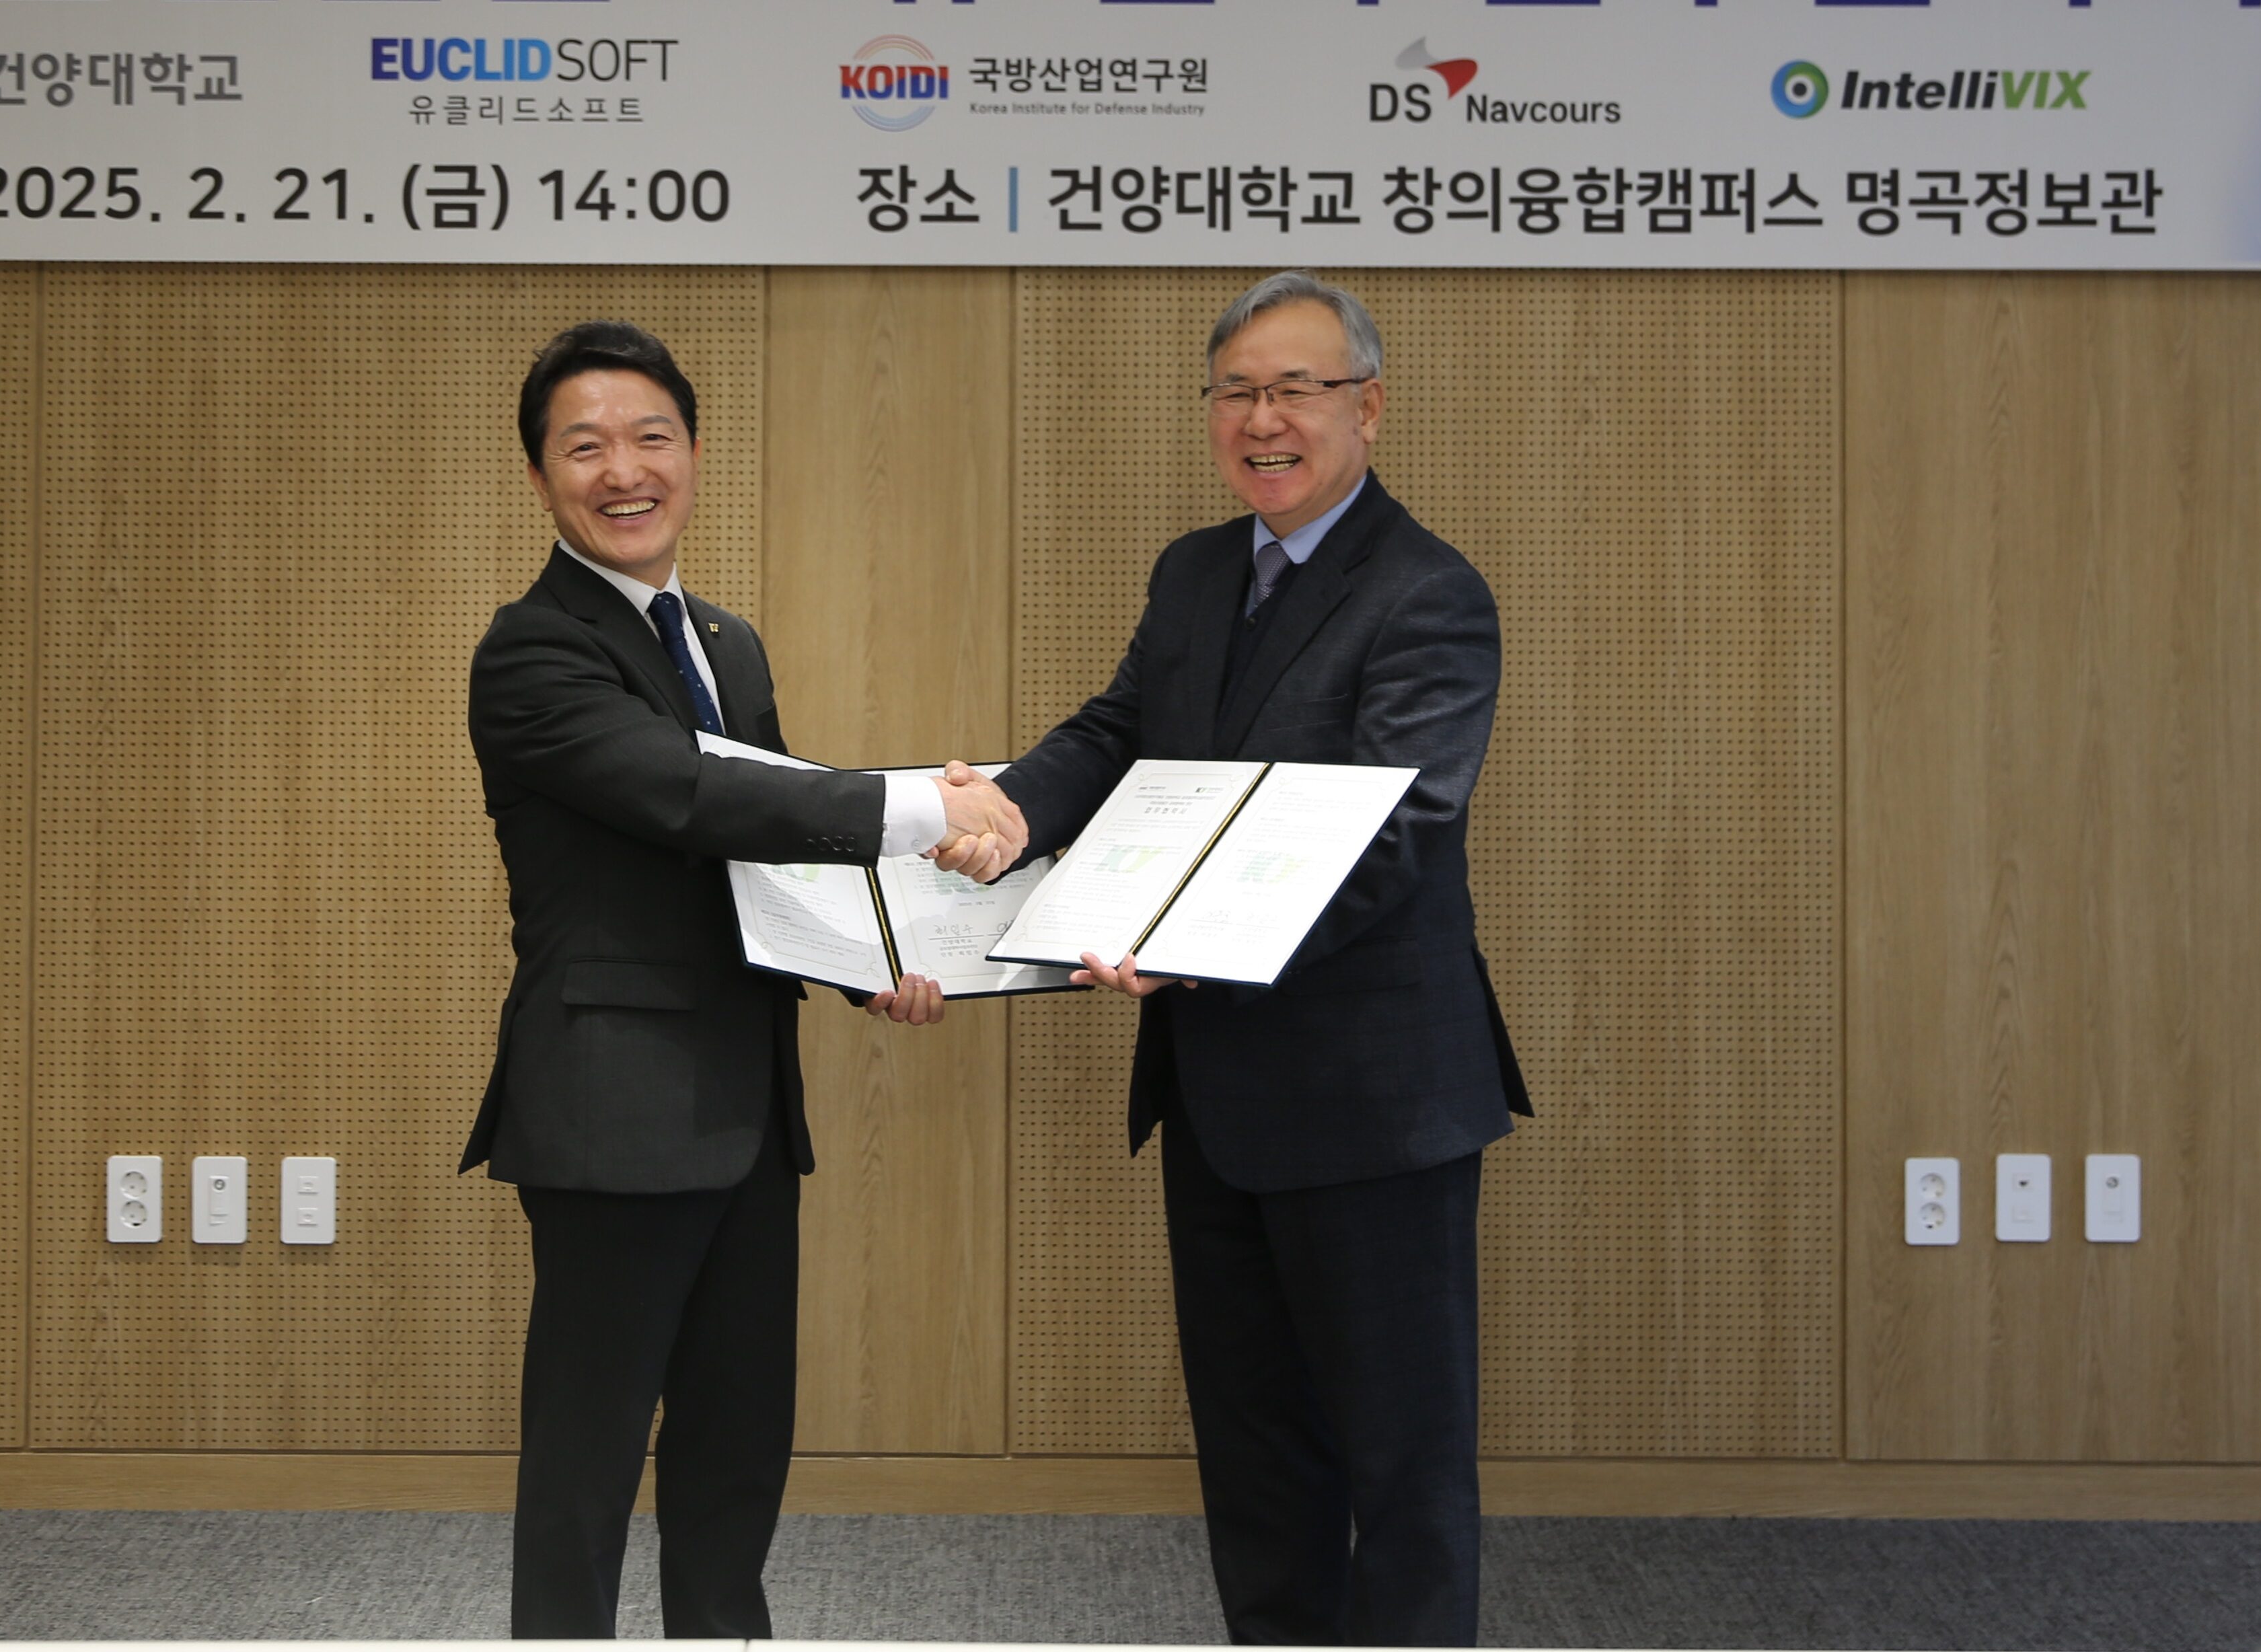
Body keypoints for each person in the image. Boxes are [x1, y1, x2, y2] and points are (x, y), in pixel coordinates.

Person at [461, 320, 1026, 1640]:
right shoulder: (532, 650)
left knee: (736, 1452)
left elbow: (765, 858)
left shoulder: (726, 642)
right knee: (588, 1464)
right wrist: (921, 805)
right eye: (584, 447)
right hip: (611, 1111)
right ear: (539, 476)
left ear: (695, 455)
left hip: (749, 1112)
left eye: (651, 438)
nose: (624, 471)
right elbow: (693, 795)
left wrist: (879, 961)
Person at [996, 271, 1527, 1648]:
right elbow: (1119, 735)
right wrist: (1008, 813)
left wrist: (1193, 941)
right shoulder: (1194, 572)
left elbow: (1400, 829)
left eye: (1296, 389)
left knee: (1403, 1464)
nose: (1262, 420)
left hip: (1375, 1103)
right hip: (1219, 1091)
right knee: (1256, 1451)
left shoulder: (1428, 592)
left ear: (1368, 407)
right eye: (1235, 392)